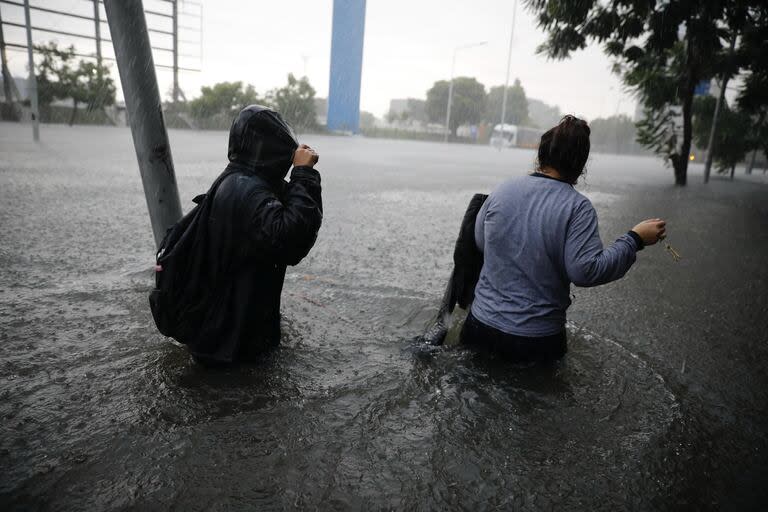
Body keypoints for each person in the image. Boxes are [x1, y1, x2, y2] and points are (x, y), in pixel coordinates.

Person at [461, 115, 665, 362]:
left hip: (479, 327)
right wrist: (634, 239)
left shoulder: (502, 190)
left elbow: (481, 243)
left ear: (541, 155)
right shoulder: (577, 208)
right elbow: (585, 271)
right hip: (534, 341)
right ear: (581, 165)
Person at [187, 105, 323, 364]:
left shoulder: (237, 179)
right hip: (232, 348)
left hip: (219, 334)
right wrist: (304, 174)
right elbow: (292, 240)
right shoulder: (248, 190)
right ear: (268, 147)